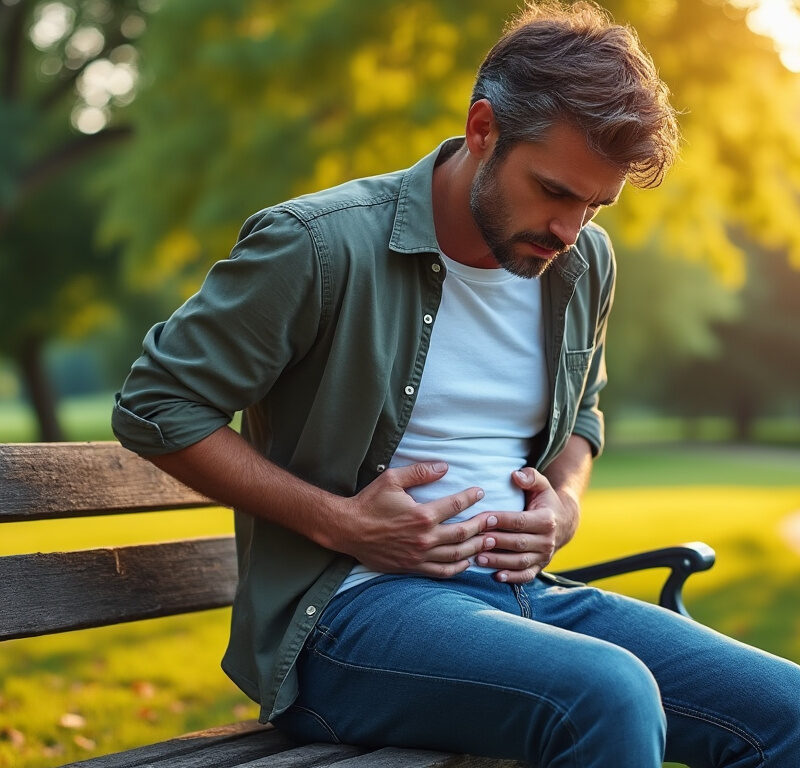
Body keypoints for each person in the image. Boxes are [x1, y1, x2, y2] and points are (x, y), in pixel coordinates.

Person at [112, 2, 800, 766]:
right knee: (607, 693)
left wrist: (564, 503)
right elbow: (156, 404)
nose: (569, 229)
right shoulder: (318, 245)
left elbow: (584, 416)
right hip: (348, 616)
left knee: (791, 712)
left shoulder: (584, 264)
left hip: (524, 603)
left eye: (594, 205)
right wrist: (340, 521)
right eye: (554, 191)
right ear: (482, 130)